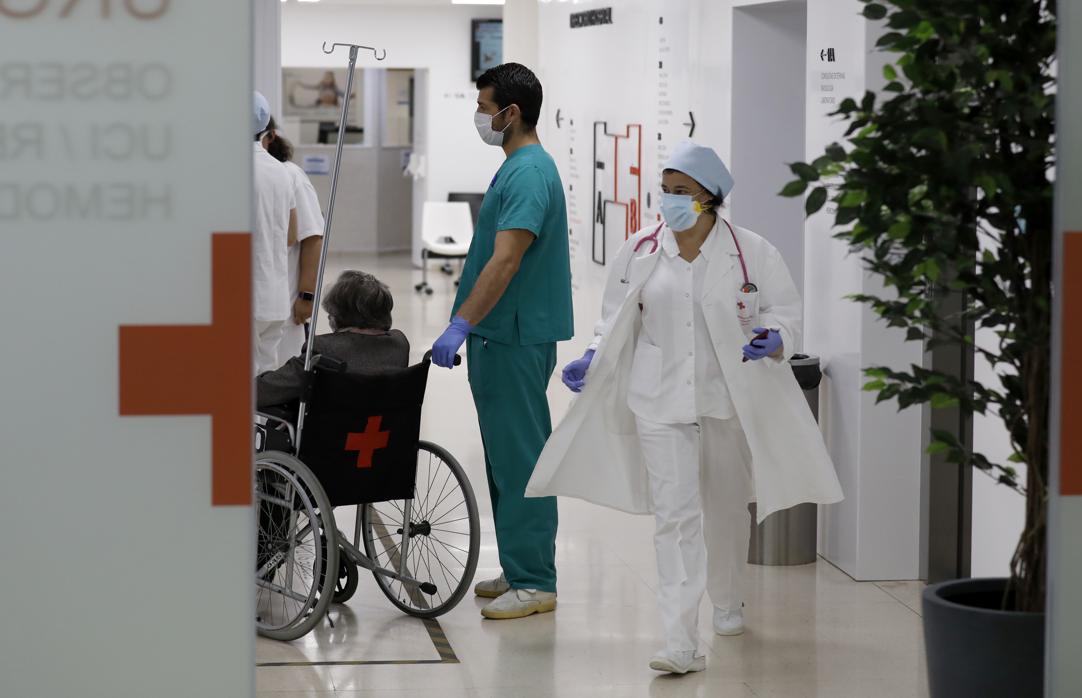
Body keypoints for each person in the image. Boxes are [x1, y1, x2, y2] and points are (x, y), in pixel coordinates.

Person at [526, 142, 844, 674]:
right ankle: (679, 641)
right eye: (666, 191)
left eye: (683, 193)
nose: (670, 202)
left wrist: (777, 337)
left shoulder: (752, 252)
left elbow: (785, 311)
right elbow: (613, 318)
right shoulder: (640, 250)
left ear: (710, 198)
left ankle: (727, 600)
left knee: (726, 508)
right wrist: (592, 354)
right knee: (674, 518)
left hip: (727, 399)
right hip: (659, 399)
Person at [429, 63, 573, 620]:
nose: (480, 119)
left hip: (511, 336)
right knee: (502, 460)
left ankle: (536, 580)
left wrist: (462, 321)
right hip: (498, 335)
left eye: (485, 108)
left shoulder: (530, 174)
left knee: (522, 458)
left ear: (511, 113)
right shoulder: (515, 167)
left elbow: (507, 259)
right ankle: (518, 566)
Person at [257, 270, 409, 408]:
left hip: (329, 437)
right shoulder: (399, 344)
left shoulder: (324, 351)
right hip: (386, 436)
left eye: (331, 312)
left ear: (338, 315)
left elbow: (262, 392)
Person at [252, 93, 320, 374]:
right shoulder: (279, 173)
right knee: (265, 383)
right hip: (274, 299)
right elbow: (291, 235)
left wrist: (306, 296)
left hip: (253, 298)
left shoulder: (226, 169)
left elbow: (311, 237)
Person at [262, 118, 325, 361]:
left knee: (280, 375)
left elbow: (312, 238)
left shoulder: (290, 175)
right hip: (252, 302)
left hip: (285, 302)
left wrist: (306, 296)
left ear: (271, 137)